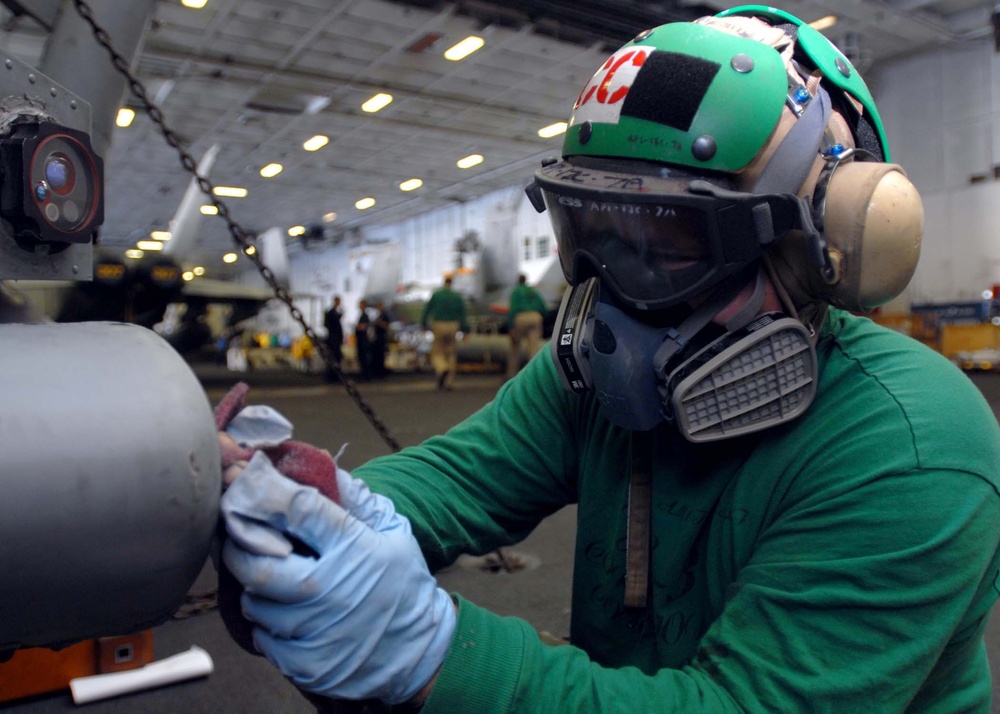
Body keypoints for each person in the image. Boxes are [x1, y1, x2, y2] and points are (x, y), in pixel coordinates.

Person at [217, 8, 1000, 713]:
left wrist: (434, 655)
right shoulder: (588, 378)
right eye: (591, 234)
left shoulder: (913, 445)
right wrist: (315, 504)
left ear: (816, 247)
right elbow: (458, 479)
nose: (617, 294)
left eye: (667, 244)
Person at [419, 275, 469, 390]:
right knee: (450, 353)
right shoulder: (457, 297)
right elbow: (463, 314)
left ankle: (442, 368)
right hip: (453, 325)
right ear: (452, 283)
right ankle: (448, 382)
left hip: (439, 324)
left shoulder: (437, 295)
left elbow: (427, 310)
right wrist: (465, 330)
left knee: (437, 352)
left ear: (444, 282)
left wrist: (423, 324)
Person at [506, 273, 548, 380]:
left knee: (515, 347)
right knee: (534, 348)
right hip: (535, 316)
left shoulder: (516, 291)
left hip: (521, 318)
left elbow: (513, 309)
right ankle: (534, 376)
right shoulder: (533, 291)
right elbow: (543, 307)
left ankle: (512, 375)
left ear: (518, 281)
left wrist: (511, 326)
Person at [322, 295, 343, 383]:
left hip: (335, 339)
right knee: (333, 358)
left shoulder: (333, 312)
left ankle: (333, 376)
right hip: (333, 340)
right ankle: (332, 377)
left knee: (335, 358)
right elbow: (331, 325)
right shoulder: (331, 312)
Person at [353, 299, 373, 381]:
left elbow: (364, 327)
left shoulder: (365, 316)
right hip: (361, 340)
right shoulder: (362, 315)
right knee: (361, 358)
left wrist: (357, 326)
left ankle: (366, 375)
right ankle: (364, 374)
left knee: (364, 358)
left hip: (363, 341)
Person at [371, 300, 391, 378]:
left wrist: (379, 322)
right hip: (377, 338)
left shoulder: (384, 316)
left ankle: (381, 372)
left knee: (381, 355)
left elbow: (386, 326)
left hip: (382, 338)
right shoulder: (379, 315)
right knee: (377, 356)